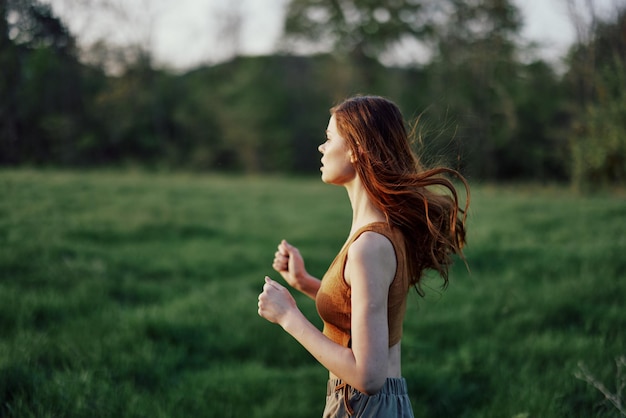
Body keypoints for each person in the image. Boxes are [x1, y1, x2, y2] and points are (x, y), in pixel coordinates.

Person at [257, 95, 469, 417]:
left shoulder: (369, 246)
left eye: (329, 139)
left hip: (362, 406)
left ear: (356, 149)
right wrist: (304, 282)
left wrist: (289, 317)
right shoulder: (381, 229)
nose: (321, 148)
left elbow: (368, 376)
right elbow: (362, 312)